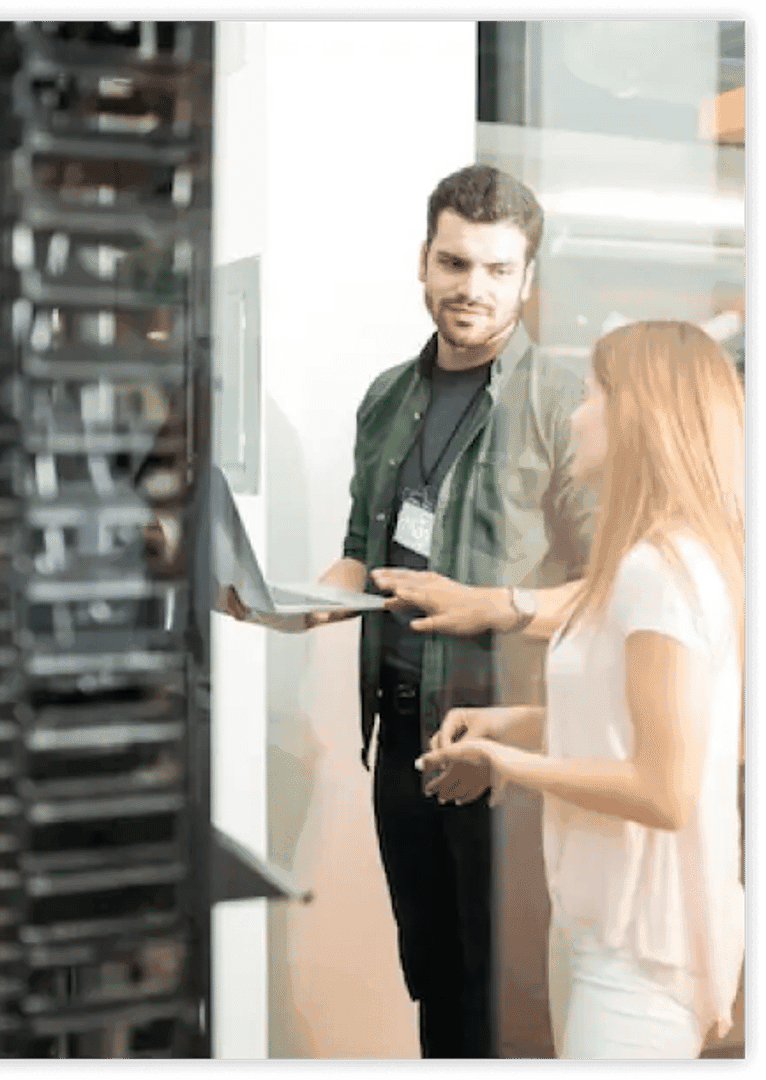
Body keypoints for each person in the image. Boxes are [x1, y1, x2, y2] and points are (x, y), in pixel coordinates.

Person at [223, 164, 597, 1058]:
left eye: (498, 270)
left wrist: (497, 606)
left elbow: (607, 587)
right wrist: (298, 607)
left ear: (527, 280)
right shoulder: (386, 398)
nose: (473, 288)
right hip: (402, 734)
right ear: (424, 262)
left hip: (505, 746)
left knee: (512, 995)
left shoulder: (564, 404)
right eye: (456, 263)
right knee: (433, 972)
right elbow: (366, 553)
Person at [413, 320, 745, 1058]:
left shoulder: (661, 573)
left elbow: (664, 788)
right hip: (600, 933)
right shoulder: (648, 562)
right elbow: (622, 723)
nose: (575, 415)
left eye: (592, 394)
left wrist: (510, 767)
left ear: (638, 415)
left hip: (638, 961)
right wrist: (512, 724)